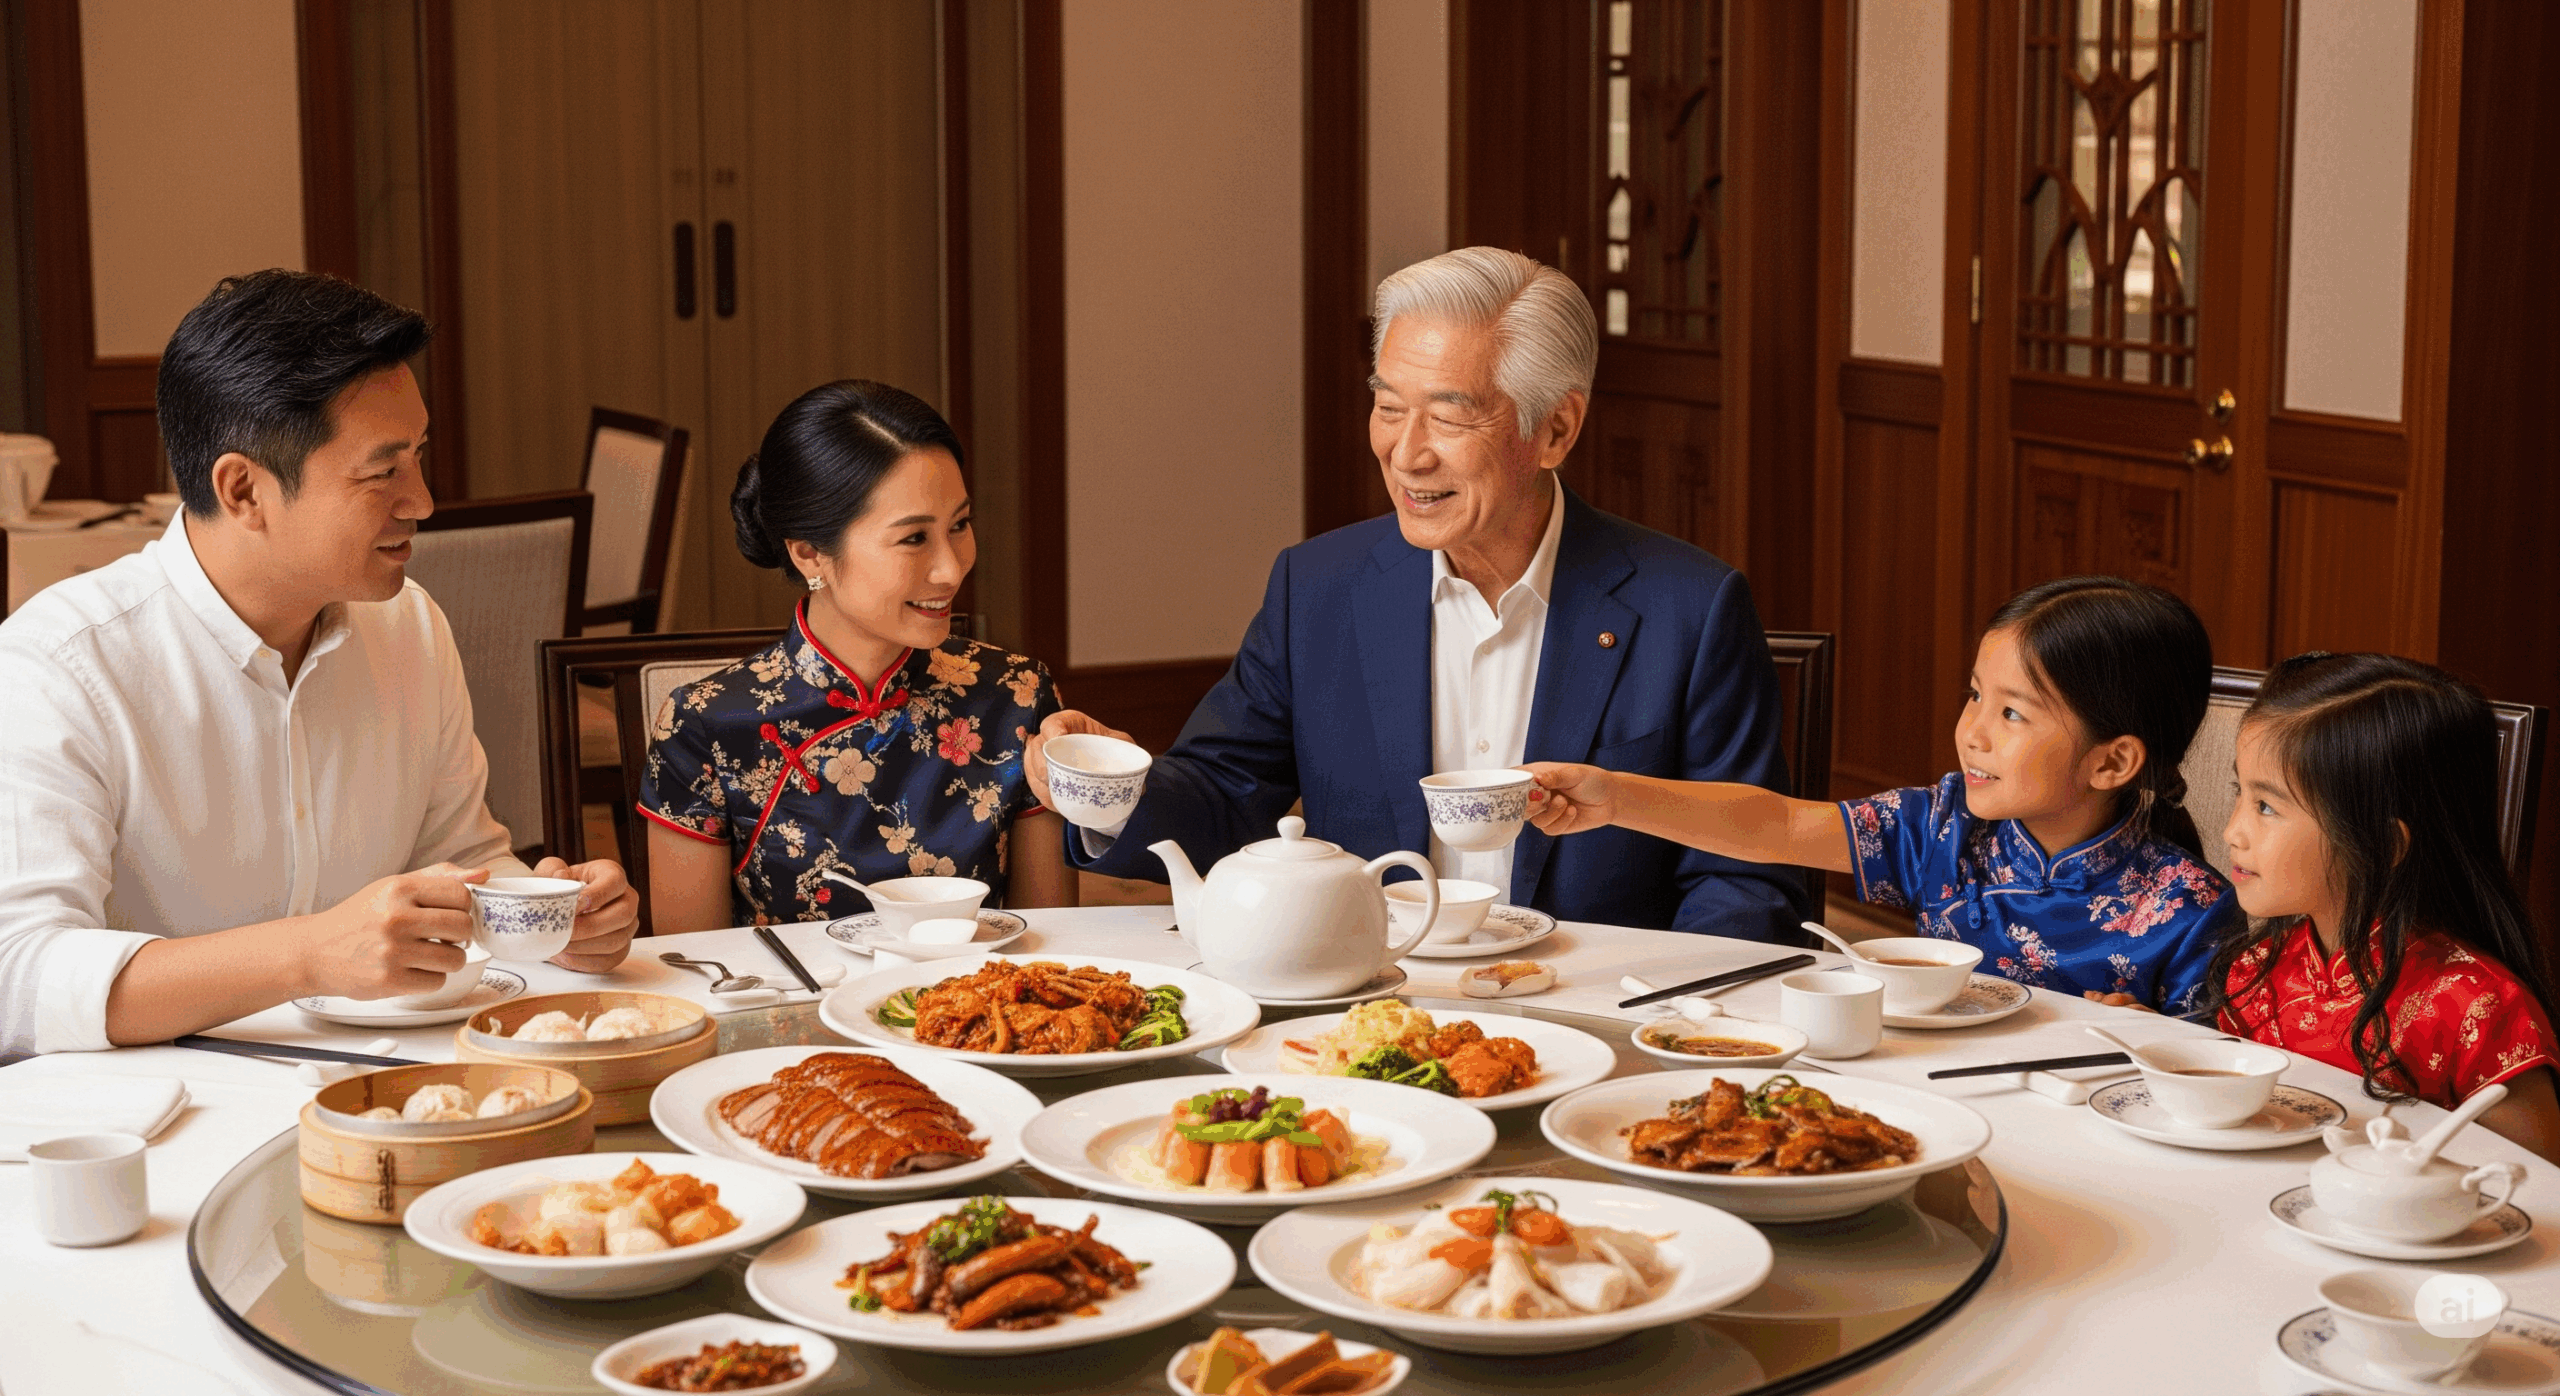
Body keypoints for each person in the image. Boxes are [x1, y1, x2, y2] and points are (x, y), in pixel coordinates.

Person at [1023, 247, 1804, 938]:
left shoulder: (1690, 609)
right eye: (1389, 409)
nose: (1405, 454)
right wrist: (1112, 791)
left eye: (1448, 417)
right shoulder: (1319, 589)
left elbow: (1743, 876)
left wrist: (1657, 1025)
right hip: (1366, 1014)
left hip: (1600, 1019)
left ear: (1557, 430)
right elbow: (1225, 796)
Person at [0, 270, 637, 1057]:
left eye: (419, 456)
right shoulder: (63, 666)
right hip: (161, 1116)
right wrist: (306, 955)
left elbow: (464, 860)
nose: (424, 500)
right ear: (243, 491)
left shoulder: (410, 627)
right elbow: (19, 980)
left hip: (385, 1082)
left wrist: (548, 918)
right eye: (383, 471)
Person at [1526, 576, 2239, 1013]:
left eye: (2012, 713)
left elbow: (2210, 1067)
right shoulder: (1942, 826)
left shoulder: (2190, 909)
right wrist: (1616, 797)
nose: (1972, 732)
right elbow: (1776, 823)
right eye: (1974, 696)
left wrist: (2141, 1036)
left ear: (2112, 763)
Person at [640, 380, 1071, 933]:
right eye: (914, 538)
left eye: (959, 525)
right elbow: (699, 968)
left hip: (975, 1013)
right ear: (809, 553)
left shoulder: (1016, 693)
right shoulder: (706, 723)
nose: (952, 568)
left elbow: (1051, 943)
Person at [2204, 652, 2558, 1160]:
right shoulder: (2257, 970)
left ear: (2380, 843)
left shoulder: (2478, 1012)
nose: (2232, 831)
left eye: (2266, 806)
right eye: (2240, 793)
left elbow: (2537, 1192)